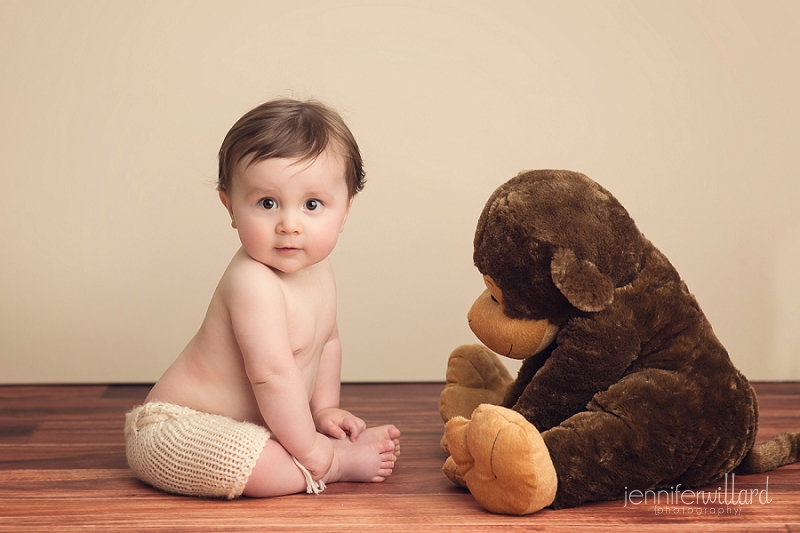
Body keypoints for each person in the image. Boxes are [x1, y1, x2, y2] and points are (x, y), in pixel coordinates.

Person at [125, 99, 400, 499]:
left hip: (255, 424)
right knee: (259, 464)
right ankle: (336, 464)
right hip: (176, 430)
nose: (289, 224)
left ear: (344, 211)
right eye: (267, 203)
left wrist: (322, 411)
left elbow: (328, 344)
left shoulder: (319, 271)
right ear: (230, 206)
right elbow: (271, 375)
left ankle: (312, 447)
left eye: (312, 205)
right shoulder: (251, 282)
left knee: (275, 446)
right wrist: (316, 452)